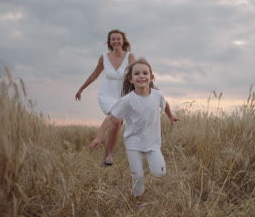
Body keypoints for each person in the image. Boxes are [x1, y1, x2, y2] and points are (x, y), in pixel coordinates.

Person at [89, 58, 179, 207]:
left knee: (160, 172)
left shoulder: (157, 95)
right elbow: (111, 118)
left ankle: (152, 183)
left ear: (151, 77)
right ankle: (140, 204)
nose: (141, 76)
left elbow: (165, 105)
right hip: (134, 142)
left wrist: (171, 116)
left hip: (152, 141)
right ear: (131, 79)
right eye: (137, 73)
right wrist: (98, 137)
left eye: (145, 73)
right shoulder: (127, 100)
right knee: (138, 177)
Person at [75, 29, 136, 166]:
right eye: (113, 39)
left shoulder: (130, 57)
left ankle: (105, 158)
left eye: (118, 39)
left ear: (123, 40)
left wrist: (148, 87)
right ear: (109, 42)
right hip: (107, 94)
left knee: (117, 122)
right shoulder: (104, 57)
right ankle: (109, 154)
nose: (116, 41)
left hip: (123, 94)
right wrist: (82, 88)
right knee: (116, 120)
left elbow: (136, 74)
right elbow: (94, 74)